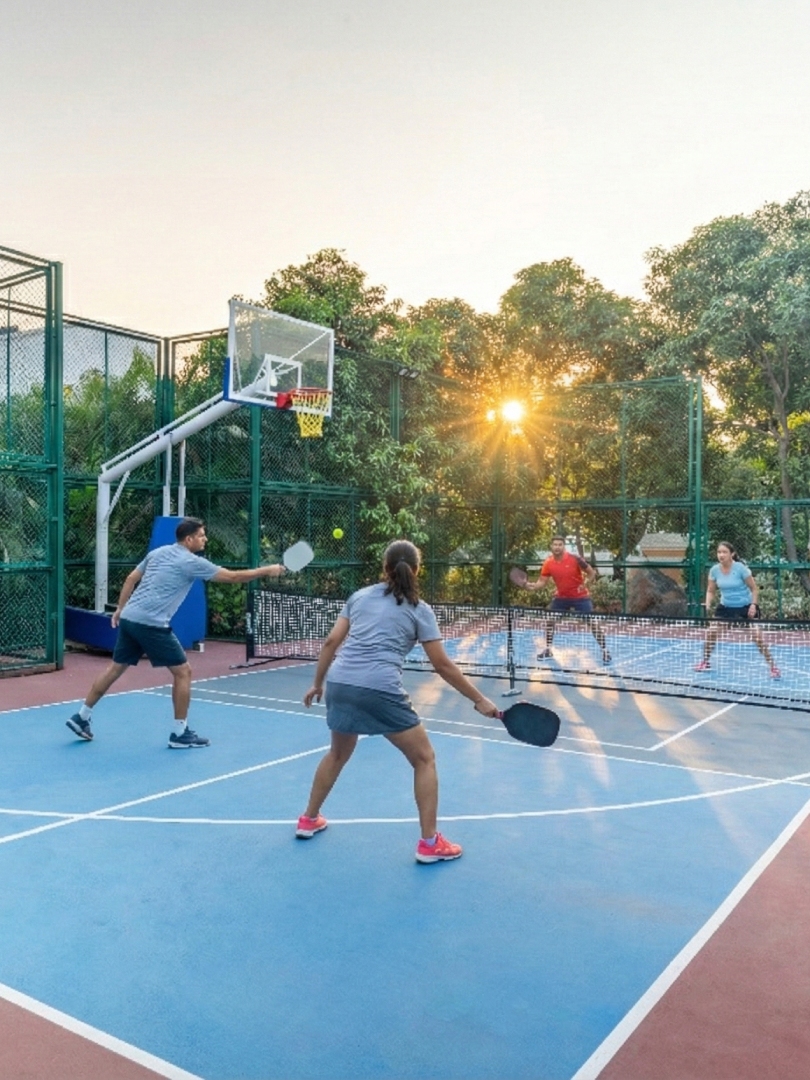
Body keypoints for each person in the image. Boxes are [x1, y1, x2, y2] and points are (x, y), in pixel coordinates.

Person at [297, 539, 498, 863]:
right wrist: (479, 700)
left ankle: (308, 820)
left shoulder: (359, 597)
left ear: (384, 567)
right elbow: (442, 665)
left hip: (340, 682)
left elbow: (332, 641)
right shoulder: (420, 610)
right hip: (379, 689)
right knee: (424, 759)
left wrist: (317, 684)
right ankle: (430, 843)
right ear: (418, 570)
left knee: (337, 753)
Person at [66, 517, 286, 747]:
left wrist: (121, 608)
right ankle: (180, 733)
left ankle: (81, 716)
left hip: (131, 617)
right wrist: (267, 570)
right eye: (201, 535)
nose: (205, 539)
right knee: (183, 672)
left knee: (115, 668)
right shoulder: (191, 562)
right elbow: (232, 577)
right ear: (189, 539)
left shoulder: (158, 552)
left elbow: (131, 578)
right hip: (151, 623)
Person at [695, 541, 780, 678]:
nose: (721, 555)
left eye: (724, 552)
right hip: (726, 607)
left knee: (757, 637)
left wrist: (753, 605)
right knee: (711, 632)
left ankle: (773, 667)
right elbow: (711, 590)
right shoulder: (714, 570)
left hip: (745, 607)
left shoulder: (740, 568)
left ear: (732, 554)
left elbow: (754, 588)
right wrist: (708, 604)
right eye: (719, 552)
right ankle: (705, 662)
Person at [524, 536, 611, 664]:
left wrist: (585, 584)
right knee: (550, 621)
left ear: (563, 546)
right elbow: (542, 581)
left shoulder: (575, 559)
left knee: (592, 623)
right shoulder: (548, 562)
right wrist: (532, 586)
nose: (557, 547)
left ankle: (605, 650)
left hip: (580, 597)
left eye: (560, 544)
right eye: (555, 544)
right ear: (551, 547)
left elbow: (591, 572)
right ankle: (548, 649)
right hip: (561, 597)